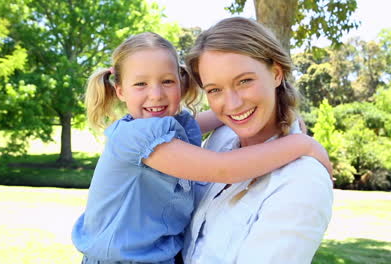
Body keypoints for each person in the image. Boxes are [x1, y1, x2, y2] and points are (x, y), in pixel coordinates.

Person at [71, 32, 331, 264]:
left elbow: (226, 110)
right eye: (140, 84)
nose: (156, 94)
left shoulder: (175, 125)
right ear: (120, 91)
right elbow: (223, 169)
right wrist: (302, 144)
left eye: (167, 81)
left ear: (181, 83)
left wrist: (282, 110)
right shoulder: (135, 137)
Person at [182, 17, 334, 264]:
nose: (232, 104)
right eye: (214, 90)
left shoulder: (303, 180)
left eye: (244, 81)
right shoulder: (221, 138)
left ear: (276, 73)